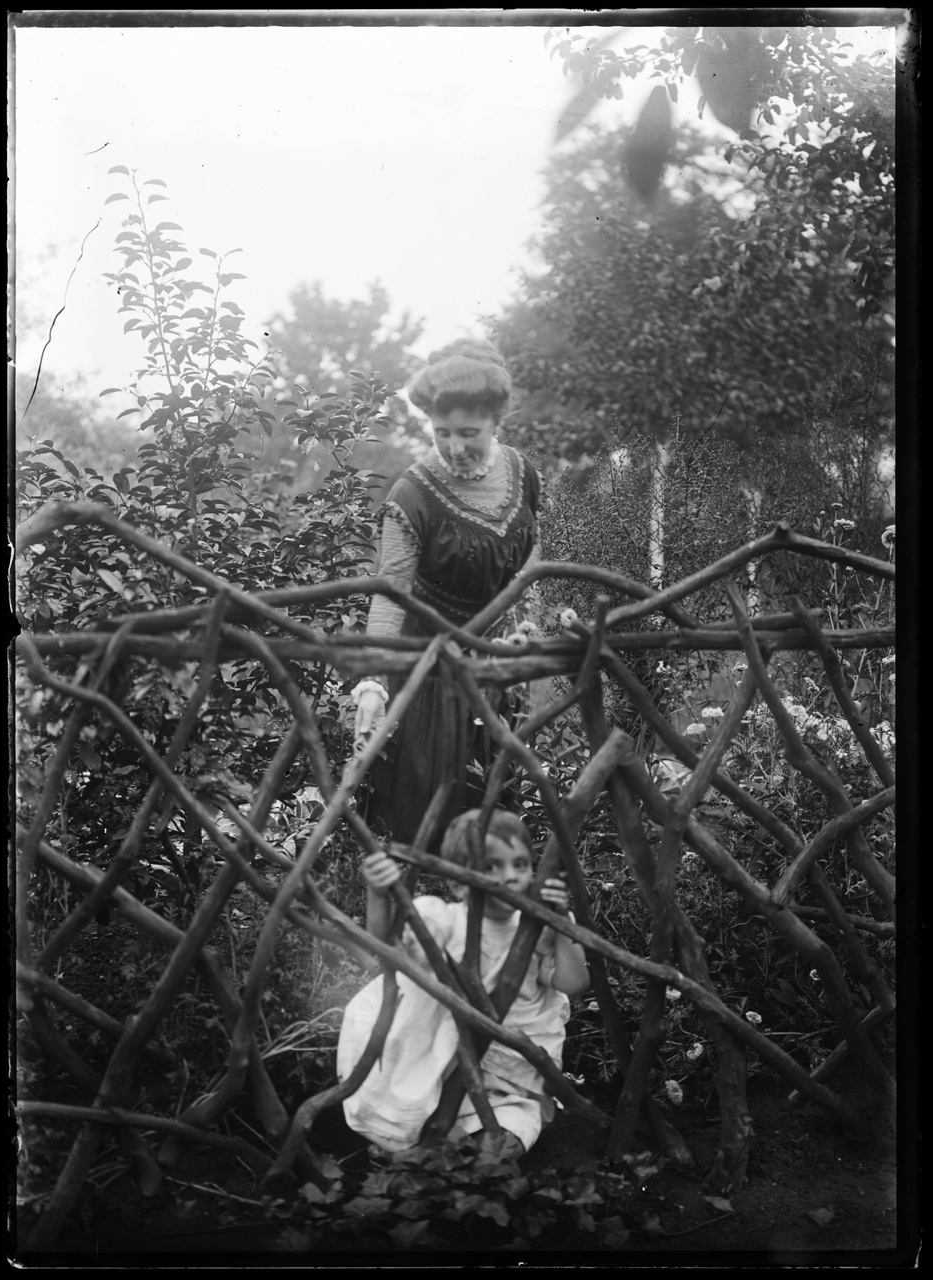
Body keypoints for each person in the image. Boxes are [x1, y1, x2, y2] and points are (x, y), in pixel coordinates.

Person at [350, 339, 542, 846]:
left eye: (469, 433)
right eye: (442, 433)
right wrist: (373, 682)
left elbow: (529, 563)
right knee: (425, 820)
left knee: (496, 815)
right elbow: (389, 594)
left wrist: (525, 627)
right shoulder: (412, 494)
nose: (455, 447)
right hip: (428, 671)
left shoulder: (523, 475)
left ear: (496, 422)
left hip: (499, 664)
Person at [336, 809, 589, 1155]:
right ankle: (417, 1142)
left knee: (504, 1140)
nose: (510, 877)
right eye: (491, 867)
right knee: (418, 1118)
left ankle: (473, 1146)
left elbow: (573, 983)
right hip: (443, 1062)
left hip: (509, 1075)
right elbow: (388, 951)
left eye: (519, 864)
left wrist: (562, 924)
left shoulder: (538, 925)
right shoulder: (444, 921)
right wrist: (379, 895)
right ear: (457, 881)